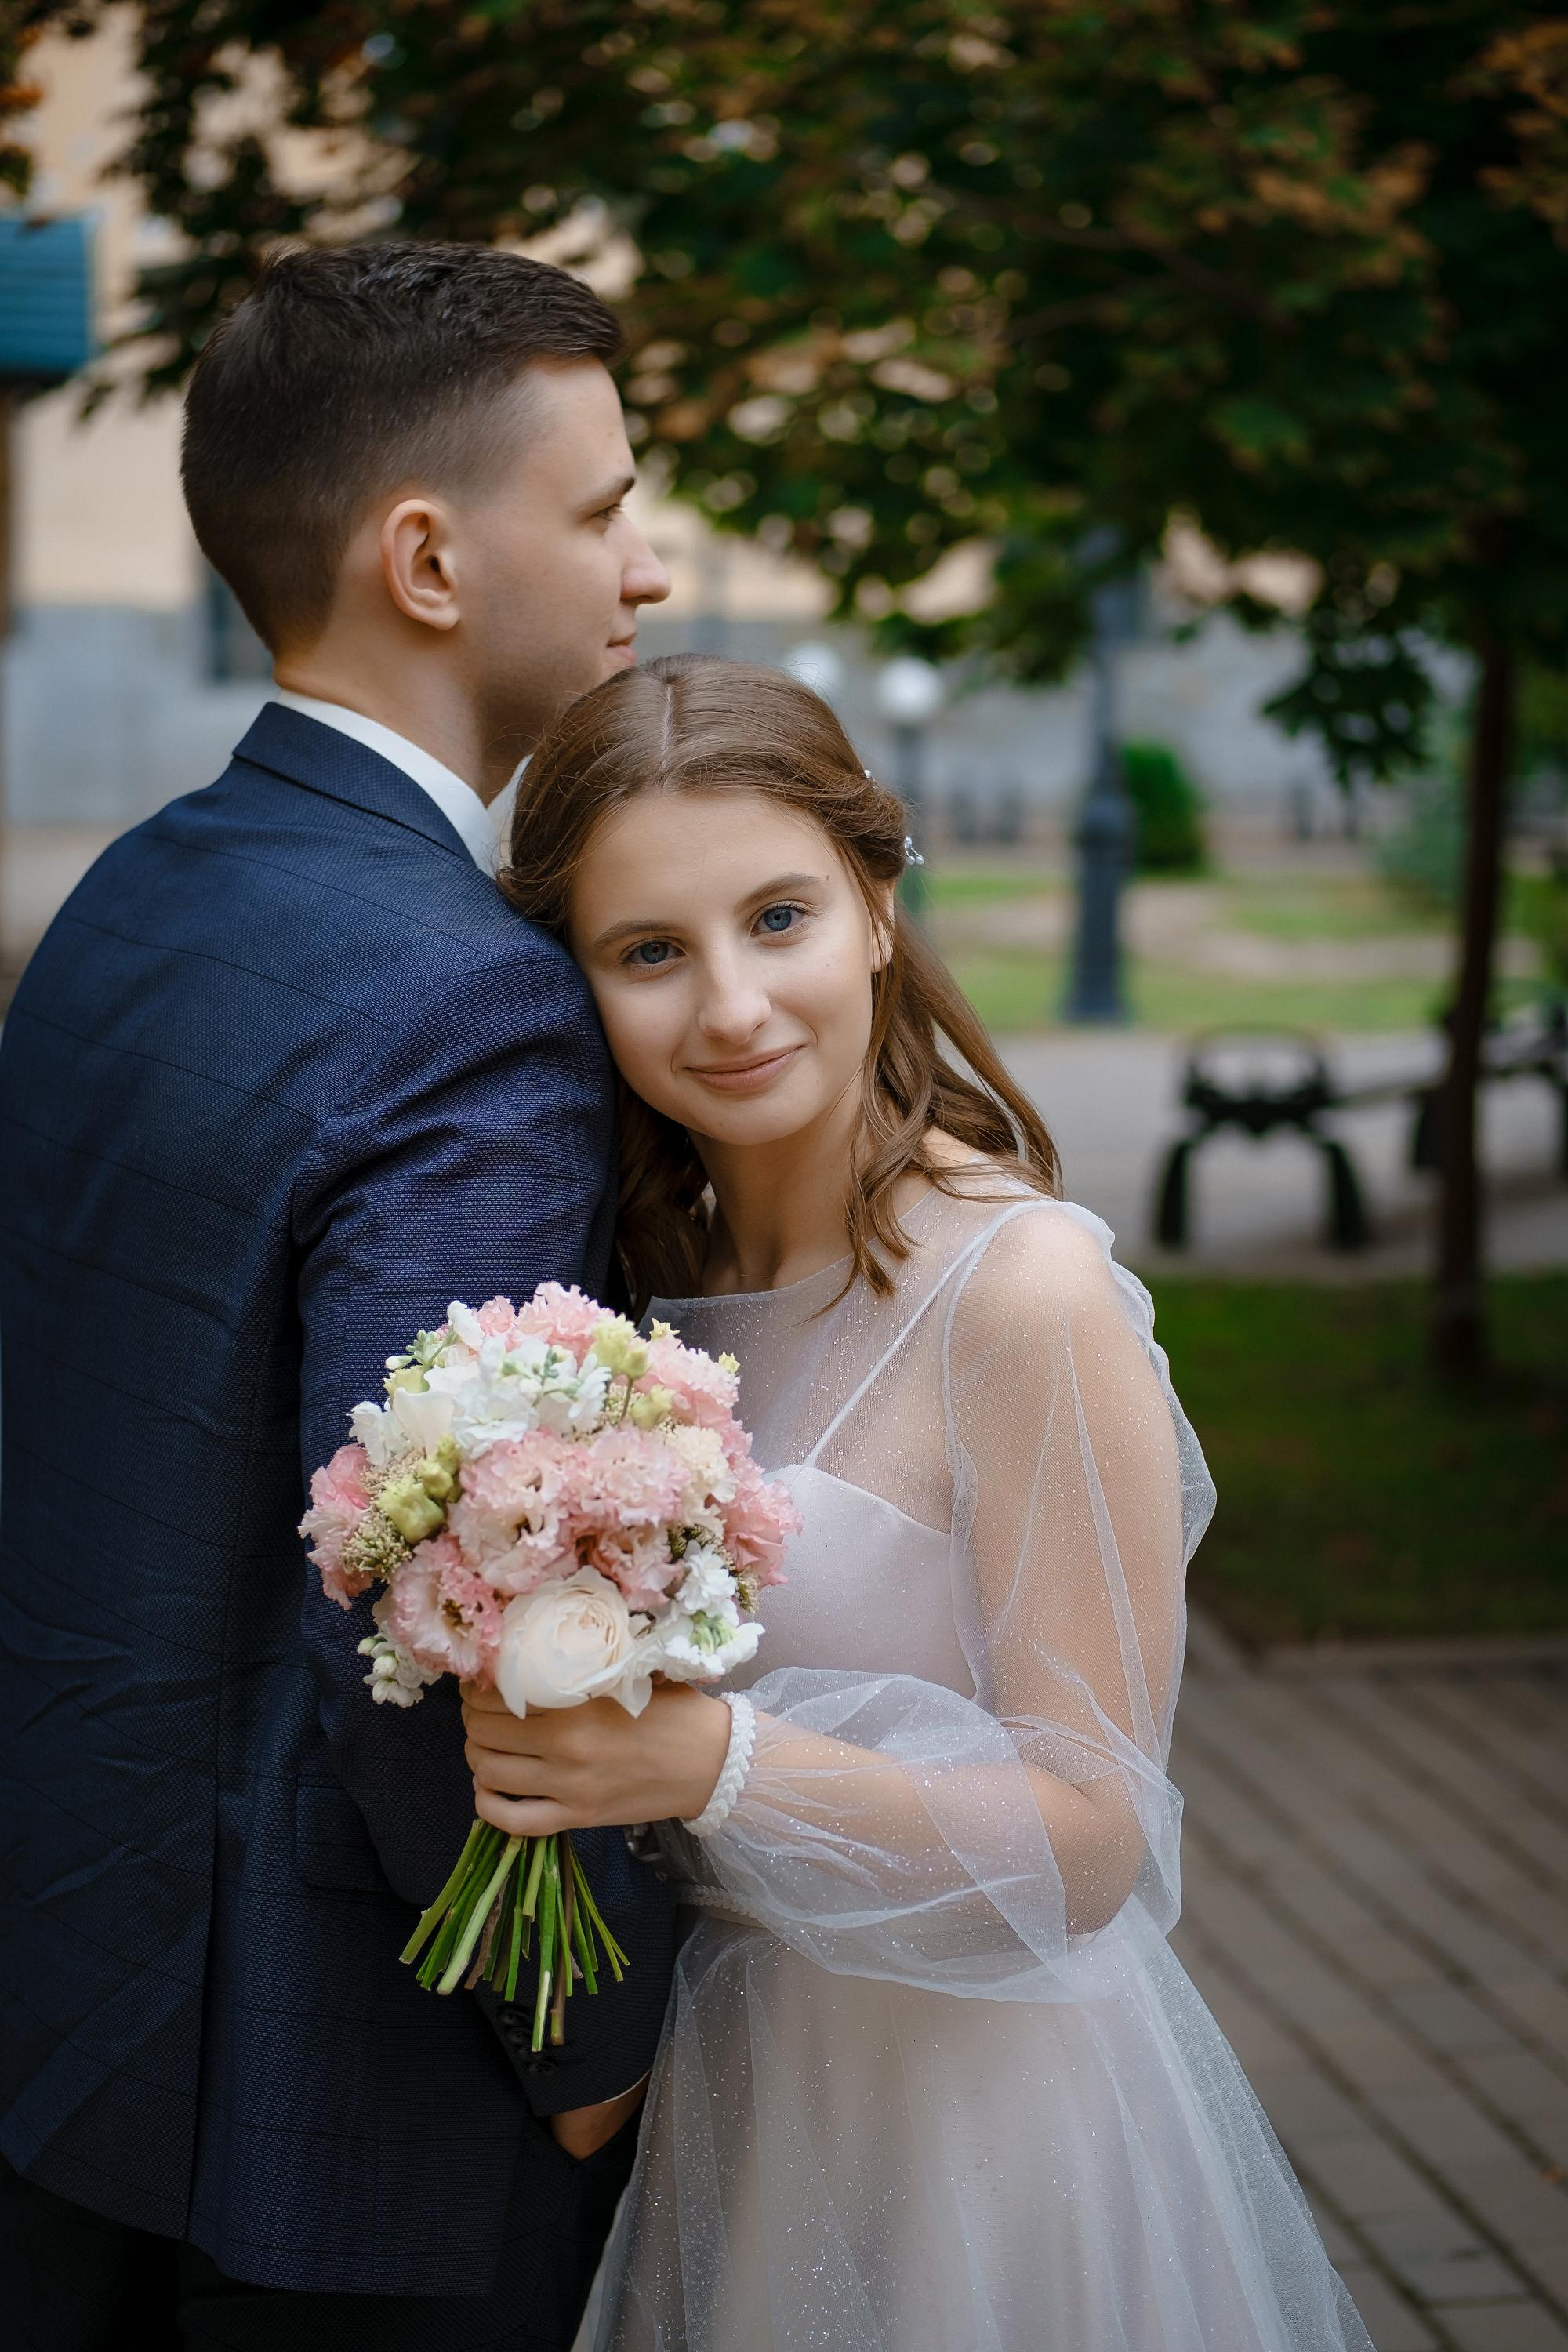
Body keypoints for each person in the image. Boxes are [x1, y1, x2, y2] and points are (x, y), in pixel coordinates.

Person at [463, 652, 1377, 2351]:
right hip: (740, 2086)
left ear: (880, 907)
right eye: (649, 952)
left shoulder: (1020, 1297)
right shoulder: (631, 1288)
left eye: (780, 917)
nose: (730, 1006)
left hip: (983, 2116)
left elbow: (1094, 1838)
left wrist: (710, 1764)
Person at [0, 241, 677, 2350]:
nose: (647, 567)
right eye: (603, 505)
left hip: (68, 1995)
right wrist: (589, 2045)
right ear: (428, 558)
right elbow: (418, 1606)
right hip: (324, 2100)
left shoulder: (132, 890)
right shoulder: (469, 1001)